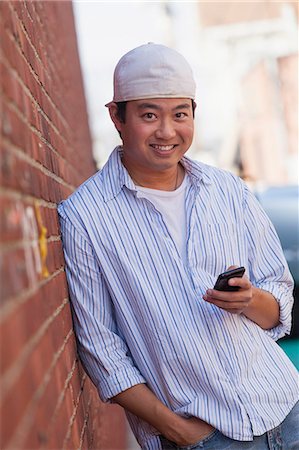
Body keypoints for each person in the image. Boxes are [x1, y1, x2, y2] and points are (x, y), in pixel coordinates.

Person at [58, 43, 298, 450]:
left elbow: (280, 299)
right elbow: (102, 352)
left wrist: (249, 299)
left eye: (180, 114)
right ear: (117, 116)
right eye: (149, 115)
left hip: (286, 409)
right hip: (204, 437)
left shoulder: (227, 190)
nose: (167, 131)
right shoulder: (85, 217)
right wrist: (181, 434)